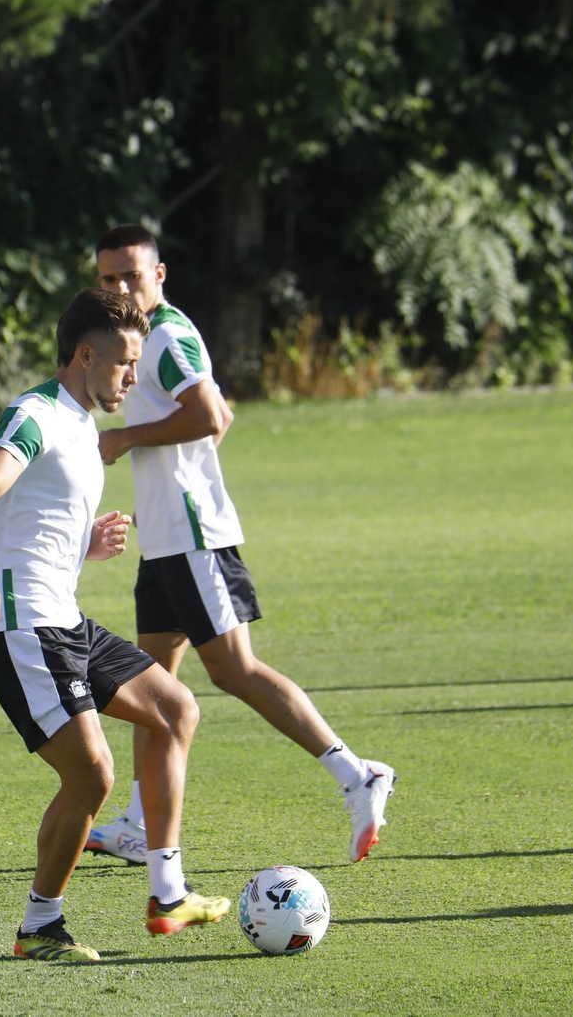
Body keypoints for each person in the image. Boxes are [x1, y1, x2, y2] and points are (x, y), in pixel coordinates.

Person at [83, 224, 396, 867]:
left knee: (232, 670)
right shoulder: (141, 339)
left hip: (194, 540)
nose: (119, 287)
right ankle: (142, 825)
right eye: (108, 277)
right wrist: (168, 485)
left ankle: (356, 773)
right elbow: (207, 422)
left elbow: (212, 415)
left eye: (131, 276)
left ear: (159, 275)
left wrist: (126, 443)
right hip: (168, 539)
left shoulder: (165, 335)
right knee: (152, 689)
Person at [0, 287, 231, 962]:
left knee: (174, 709)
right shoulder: (38, 413)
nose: (134, 378)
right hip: (18, 624)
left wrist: (84, 548)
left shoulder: (82, 424)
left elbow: (35, 521)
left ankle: (168, 893)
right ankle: (39, 928)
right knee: (93, 778)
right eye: (124, 365)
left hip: (63, 619)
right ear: (85, 355)